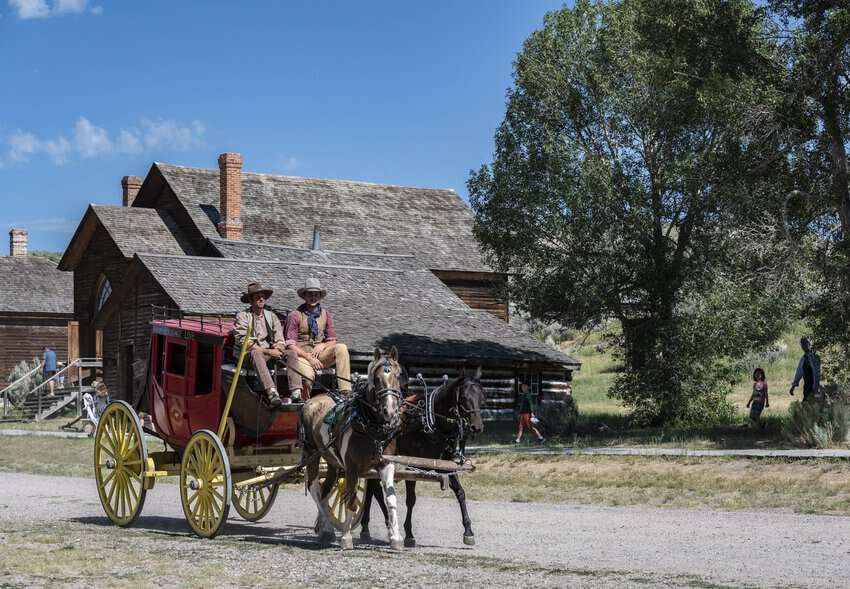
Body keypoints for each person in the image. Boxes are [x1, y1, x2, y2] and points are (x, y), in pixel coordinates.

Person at [285, 278, 352, 401]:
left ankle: (345, 391)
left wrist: (322, 346)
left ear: (320, 296)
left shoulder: (326, 314)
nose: (313, 297)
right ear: (304, 296)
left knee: (341, 348)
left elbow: (332, 340)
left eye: (316, 294)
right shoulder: (294, 315)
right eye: (310, 294)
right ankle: (304, 402)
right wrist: (309, 357)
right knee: (308, 375)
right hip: (302, 356)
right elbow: (290, 344)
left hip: (320, 355)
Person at [233, 282, 286, 408]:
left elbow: (280, 338)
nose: (261, 299)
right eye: (257, 297)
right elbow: (245, 343)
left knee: (292, 353)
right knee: (256, 353)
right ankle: (271, 392)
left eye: (263, 296)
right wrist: (269, 352)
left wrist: (278, 348)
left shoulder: (272, 316)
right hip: (249, 356)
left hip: (269, 353)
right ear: (250, 300)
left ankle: (296, 392)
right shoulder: (243, 316)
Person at [789, 337, 821, 402]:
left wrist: (816, 388)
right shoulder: (803, 359)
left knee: (812, 405)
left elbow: (817, 373)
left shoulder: (815, 357)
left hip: (814, 387)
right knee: (807, 404)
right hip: (806, 386)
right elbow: (799, 373)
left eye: (805, 344)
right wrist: (793, 387)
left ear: (809, 344)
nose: (803, 347)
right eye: (802, 345)